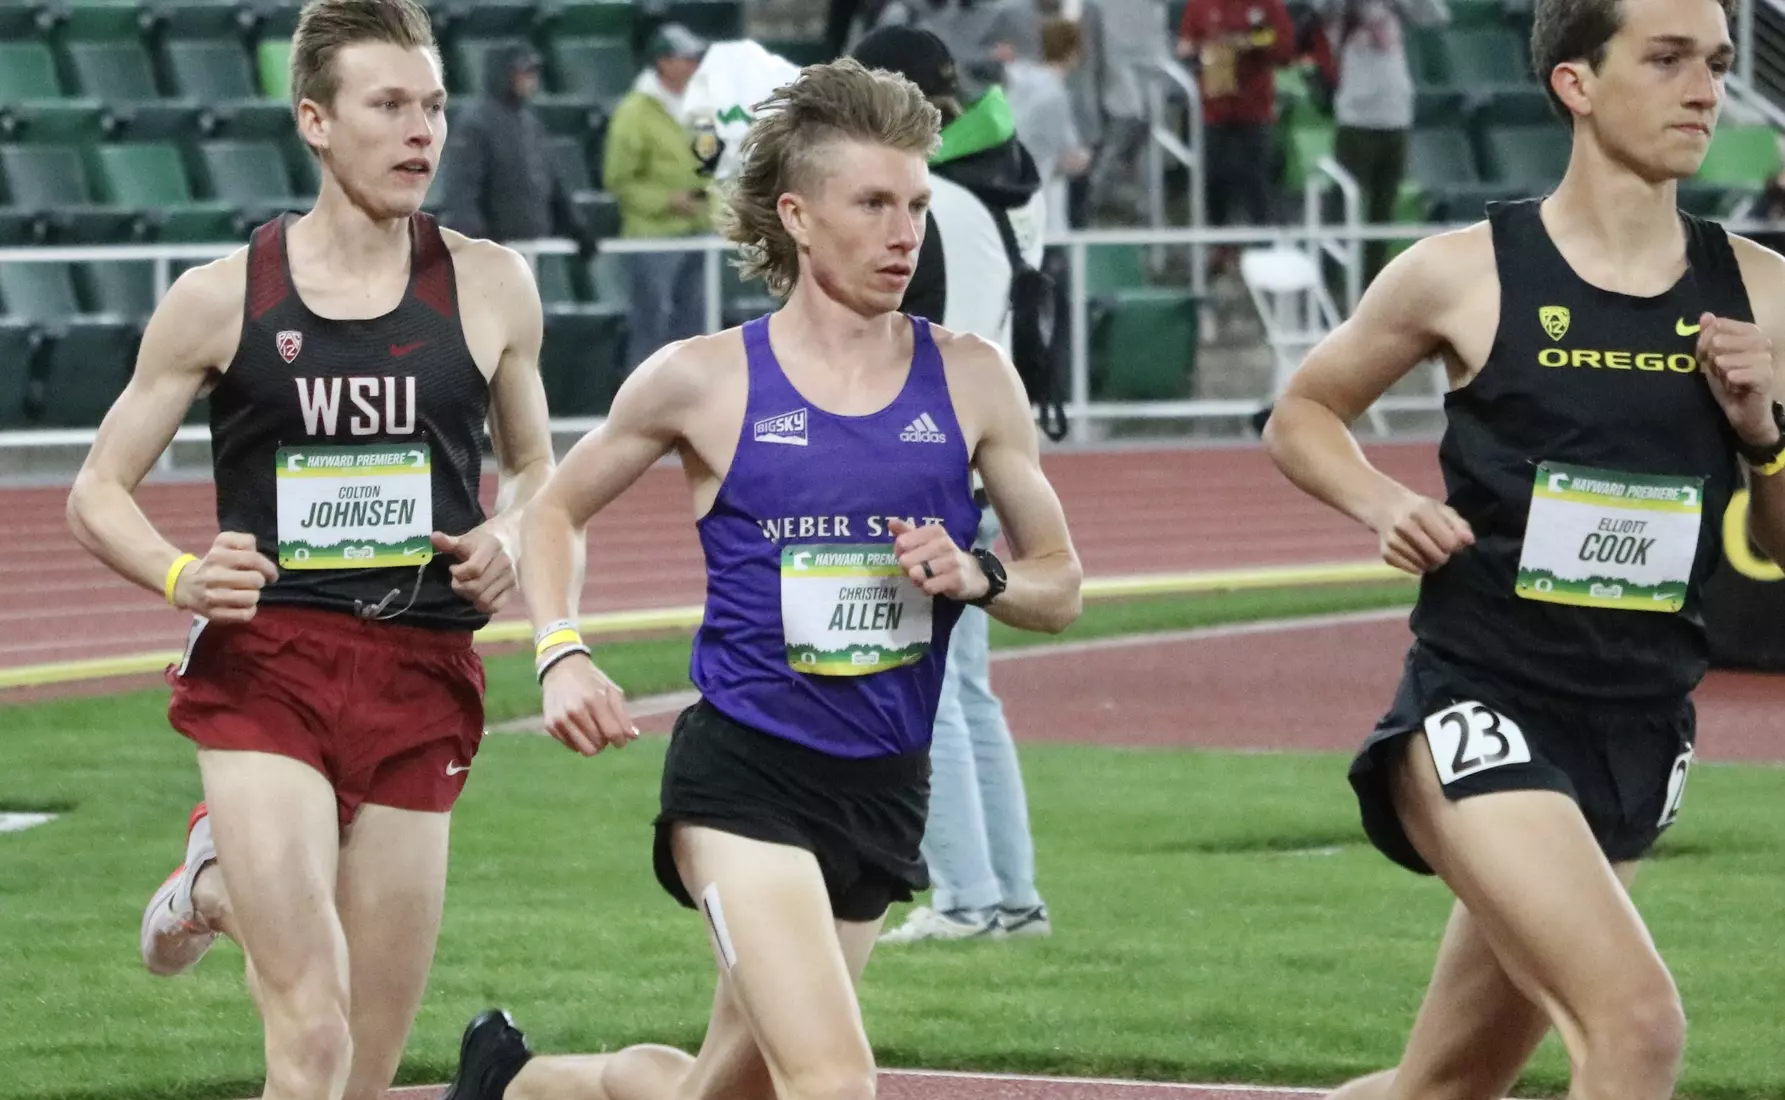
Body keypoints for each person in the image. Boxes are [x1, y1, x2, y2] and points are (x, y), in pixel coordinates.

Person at [439, 56, 1083, 1100]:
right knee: (831, 1078)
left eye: (916, 202)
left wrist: (978, 573)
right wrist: (560, 650)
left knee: (730, 1087)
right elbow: (552, 507)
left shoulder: (971, 376)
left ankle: (515, 1082)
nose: (903, 230)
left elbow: (1060, 584)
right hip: (745, 777)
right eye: (873, 202)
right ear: (796, 213)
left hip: (884, 785)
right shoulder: (704, 378)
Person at [1261, 0, 1785, 1098]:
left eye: (1721, 64)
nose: (1707, 89)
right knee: (1636, 1025)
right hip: (1477, 701)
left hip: (1640, 721)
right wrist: (1379, 502)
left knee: (1442, 1086)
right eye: (1671, 58)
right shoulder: (1464, 272)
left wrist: (1763, 438)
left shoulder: (1763, 293)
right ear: (1577, 84)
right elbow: (1303, 411)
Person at [64, 2, 559, 1098]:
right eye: (388, 105)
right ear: (316, 121)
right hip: (270, 664)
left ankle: (213, 883)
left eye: (432, 105)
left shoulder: (490, 285)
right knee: (315, 1026)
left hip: (422, 668)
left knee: (368, 1068)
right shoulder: (219, 298)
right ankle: (222, 872)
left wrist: (511, 534)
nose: (420, 130)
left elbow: (536, 468)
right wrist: (182, 574)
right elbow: (96, 490)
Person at [843, 25, 1053, 945]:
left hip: (944, 449)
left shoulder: (949, 202)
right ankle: (1008, 896)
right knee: (968, 687)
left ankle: (968, 898)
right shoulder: (1007, 174)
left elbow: (946, 341)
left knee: (932, 686)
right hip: (982, 443)